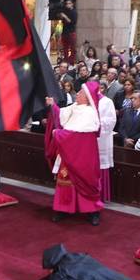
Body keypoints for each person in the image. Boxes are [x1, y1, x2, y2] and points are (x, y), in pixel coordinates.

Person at [44, 83, 103, 225]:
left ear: (88, 97)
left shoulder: (90, 114)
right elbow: (60, 117)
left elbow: (76, 136)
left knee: (86, 180)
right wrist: (53, 105)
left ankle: (92, 211)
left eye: (81, 93)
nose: (77, 94)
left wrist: (58, 134)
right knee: (65, 180)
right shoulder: (74, 107)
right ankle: (63, 209)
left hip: (83, 156)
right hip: (68, 153)